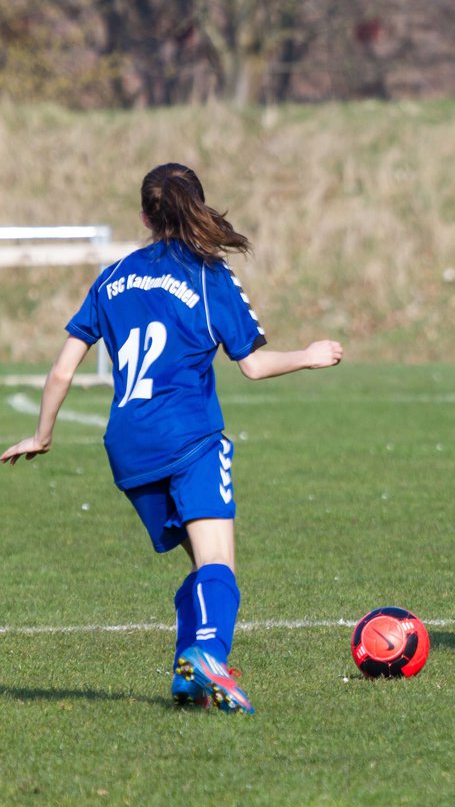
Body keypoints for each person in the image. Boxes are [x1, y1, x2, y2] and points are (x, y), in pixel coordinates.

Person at [2, 163, 343, 713]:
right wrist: (309, 355)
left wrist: (43, 435)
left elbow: (64, 370)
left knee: (198, 567)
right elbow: (252, 365)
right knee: (218, 564)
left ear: (143, 216)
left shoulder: (113, 276)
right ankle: (209, 653)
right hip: (189, 438)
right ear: (199, 208)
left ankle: (188, 677)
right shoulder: (209, 275)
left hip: (128, 448)